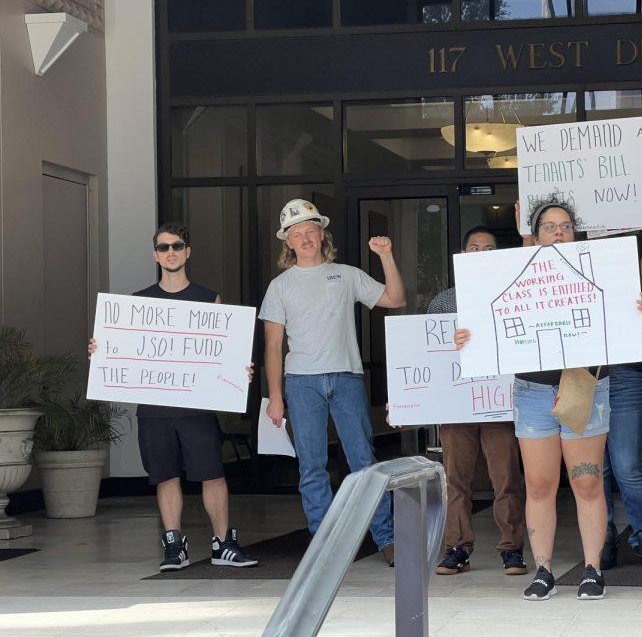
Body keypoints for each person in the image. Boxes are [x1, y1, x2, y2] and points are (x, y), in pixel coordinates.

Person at [455, 200, 642, 601]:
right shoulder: (508, 275)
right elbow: (483, 321)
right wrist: (467, 337)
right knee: (540, 485)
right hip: (532, 390)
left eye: (565, 226)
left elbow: (620, 320)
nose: (558, 232)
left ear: (575, 233)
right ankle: (543, 570)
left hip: (583, 387)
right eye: (549, 226)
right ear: (534, 234)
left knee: (588, 481)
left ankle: (593, 569)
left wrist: (633, 314)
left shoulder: (601, 272)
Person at [89, 222, 257, 572]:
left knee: (213, 474)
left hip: (197, 408)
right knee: (165, 475)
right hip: (154, 409)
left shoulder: (210, 299)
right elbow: (124, 350)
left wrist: (239, 371)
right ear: (155, 255)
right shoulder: (139, 303)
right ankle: (173, 546)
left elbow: (224, 353)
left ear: (188, 251)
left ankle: (223, 544)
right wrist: (102, 350)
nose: (170, 253)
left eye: (177, 246)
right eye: (163, 248)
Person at [260, 199, 405, 566]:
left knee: (364, 463)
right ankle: (324, 544)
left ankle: (386, 538)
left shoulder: (347, 274)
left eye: (311, 230)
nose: (306, 238)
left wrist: (386, 256)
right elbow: (273, 348)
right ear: (288, 242)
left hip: (346, 377)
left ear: (322, 235)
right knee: (312, 465)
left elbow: (395, 298)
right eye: (298, 233)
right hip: (301, 383)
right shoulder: (280, 287)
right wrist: (275, 397)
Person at [428, 226, 527, 576]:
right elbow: (430, 351)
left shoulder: (515, 294)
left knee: (506, 476)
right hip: (457, 401)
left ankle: (512, 548)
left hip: (498, 399)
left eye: (488, 248)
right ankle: (456, 547)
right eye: (474, 247)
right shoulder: (443, 300)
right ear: (462, 254)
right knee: (456, 478)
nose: (481, 253)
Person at [601, 225, 642, 572]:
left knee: (627, 466)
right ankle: (604, 537)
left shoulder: (632, 274)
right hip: (585, 378)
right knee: (598, 469)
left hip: (625, 374)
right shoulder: (566, 272)